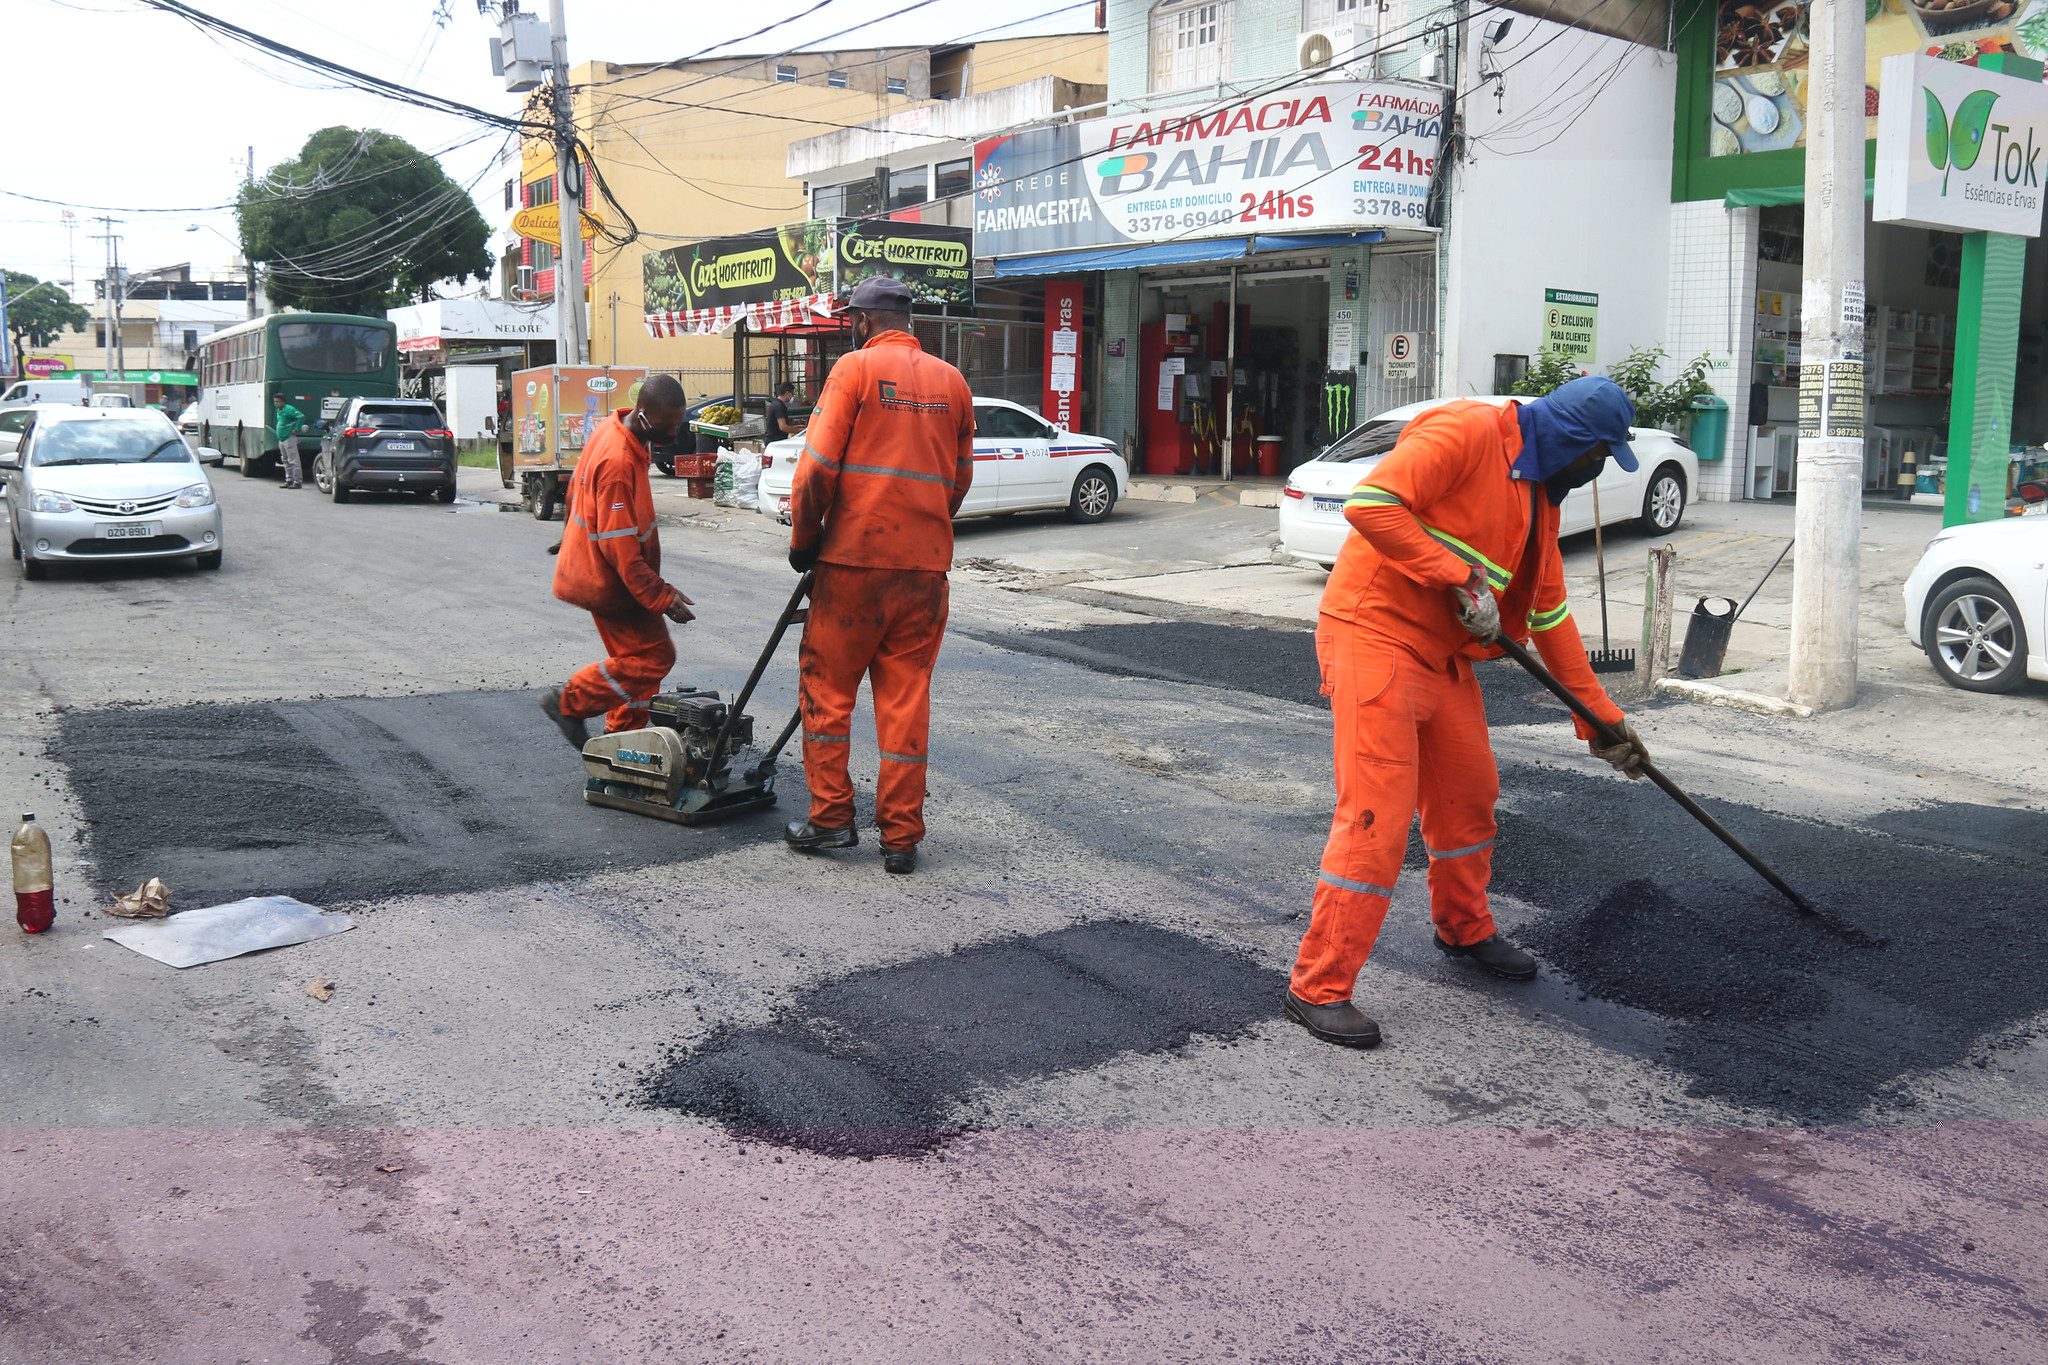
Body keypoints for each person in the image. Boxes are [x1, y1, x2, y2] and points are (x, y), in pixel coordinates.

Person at [1285, 375, 1653, 1049]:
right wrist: (1457, 574)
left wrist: (1601, 720)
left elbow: (1550, 618)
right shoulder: (1467, 432)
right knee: (1378, 813)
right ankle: (1320, 985)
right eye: (1599, 457)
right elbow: (1371, 505)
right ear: (1575, 444)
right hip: (1375, 632)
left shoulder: (1542, 503)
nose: (1598, 471)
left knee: (1470, 794)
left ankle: (1464, 927)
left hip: (1443, 652)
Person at [783, 276, 974, 875]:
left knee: (828, 693)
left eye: (851, 322)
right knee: (905, 701)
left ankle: (832, 821)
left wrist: (803, 543)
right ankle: (900, 838)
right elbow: (959, 479)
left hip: (853, 564)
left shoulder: (854, 370)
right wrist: (925, 530)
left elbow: (814, 471)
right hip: (924, 570)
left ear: (864, 322)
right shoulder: (953, 382)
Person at [540, 373, 698, 746]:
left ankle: (622, 740)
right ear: (643, 416)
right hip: (609, 579)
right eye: (666, 427)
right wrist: (661, 596)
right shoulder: (617, 459)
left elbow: (577, 492)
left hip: (607, 571)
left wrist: (569, 536)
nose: (673, 435)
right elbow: (619, 547)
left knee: (638, 663)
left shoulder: (620, 430)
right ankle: (568, 702)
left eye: (678, 424)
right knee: (656, 657)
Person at [272, 393, 305, 489]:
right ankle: (289, 480)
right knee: (285, 460)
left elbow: (301, 417)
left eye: (277, 402)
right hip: (281, 439)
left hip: (289, 437)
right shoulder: (279, 410)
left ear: (282, 401)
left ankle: (297, 481)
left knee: (293, 460)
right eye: (275, 402)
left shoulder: (289, 409)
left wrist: (296, 428)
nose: (276, 404)